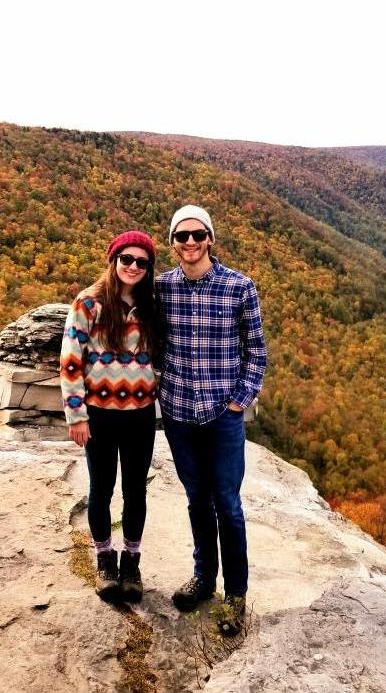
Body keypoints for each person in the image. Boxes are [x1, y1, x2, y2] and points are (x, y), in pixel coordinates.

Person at [155, 205, 267, 636]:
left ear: (210, 238)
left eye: (197, 234)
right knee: (196, 499)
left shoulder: (240, 287)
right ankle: (204, 578)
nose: (190, 242)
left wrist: (240, 401)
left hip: (222, 415)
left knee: (228, 505)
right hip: (179, 414)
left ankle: (235, 596)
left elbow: (256, 351)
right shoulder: (162, 289)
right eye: (181, 236)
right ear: (172, 243)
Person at [60, 231, 158, 604]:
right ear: (113, 260)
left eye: (141, 262)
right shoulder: (89, 303)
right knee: (101, 489)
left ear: (148, 268)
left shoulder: (150, 305)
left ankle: (131, 561)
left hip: (140, 414)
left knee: (135, 490)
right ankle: (105, 559)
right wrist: (76, 416)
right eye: (126, 259)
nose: (133, 267)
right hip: (99, 415)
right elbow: (70, 361)